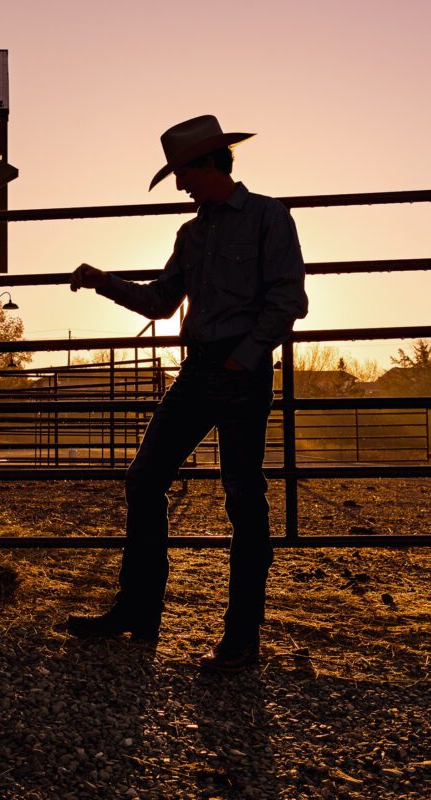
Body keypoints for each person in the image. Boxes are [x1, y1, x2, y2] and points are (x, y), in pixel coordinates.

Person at [65, 114, 308, 671]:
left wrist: (242, 355)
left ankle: (242, 638)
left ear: (210, 165)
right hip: (199, 372)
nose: (179, 184)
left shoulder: (270, 217)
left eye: (183, 172)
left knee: (245, 501)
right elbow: (160, 302)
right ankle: (138, 611)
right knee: (145, 478)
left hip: (240, 372)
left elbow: (287, 300)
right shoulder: (191, 234)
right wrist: (105, 282)